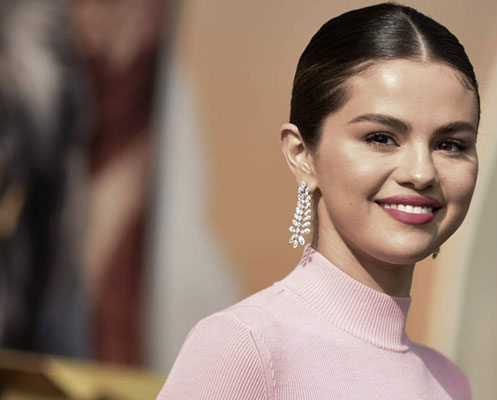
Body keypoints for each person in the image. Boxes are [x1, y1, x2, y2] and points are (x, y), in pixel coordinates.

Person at [157, 3, 479, 399]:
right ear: (301, 154)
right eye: (381, 138)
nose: (421, 172)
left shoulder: (450, 382)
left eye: (450, 144)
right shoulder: (245, 347)